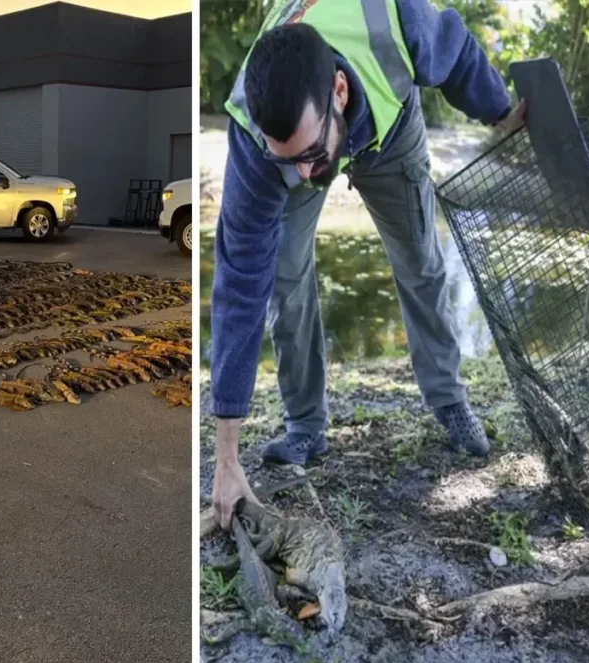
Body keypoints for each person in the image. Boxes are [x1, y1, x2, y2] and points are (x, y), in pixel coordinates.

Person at [209, 0, 527, 529]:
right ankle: (305, 426)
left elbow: (460, 53)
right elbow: (240, 284)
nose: (306, 176)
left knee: (420, 260)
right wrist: (225, 458)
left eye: (308, 155)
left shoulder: (396, 19)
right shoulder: (255, 133)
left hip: (390, 129)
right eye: (285, 159)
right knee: (283, 278)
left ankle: (448, 400)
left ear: (337, 90)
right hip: (311, 134)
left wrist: (499, 110)